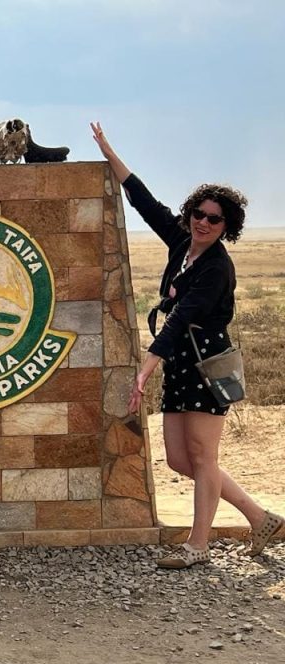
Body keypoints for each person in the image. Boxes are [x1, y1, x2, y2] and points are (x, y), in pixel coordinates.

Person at [91, 122, 283, 568]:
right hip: (180, 362)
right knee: (181, 460)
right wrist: (109, 153)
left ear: (226, 226)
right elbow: (144, 202)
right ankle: (260, 517)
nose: (203, 222)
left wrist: (144, 369)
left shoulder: (217, 268)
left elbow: (180, 320)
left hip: (206, 362)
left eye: (214, 218)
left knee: (202, 456)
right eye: (199, 213)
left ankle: (198, 546)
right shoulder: (182, 243)